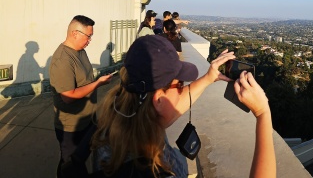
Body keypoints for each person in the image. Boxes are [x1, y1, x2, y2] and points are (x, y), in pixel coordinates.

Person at [86, 36, 276, 178]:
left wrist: (209, 78)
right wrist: (263, 113)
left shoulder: (112, 130)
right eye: (180, 85)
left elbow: (174, 103)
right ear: (158, 100)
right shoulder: (156, 171)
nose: (183, 89)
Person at [50, 15, 115, 177]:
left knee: (80, 159)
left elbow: (84, 80)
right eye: (88, 36)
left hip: (88, 120)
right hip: (71, 126)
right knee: (69, 164)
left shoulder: (80, 51)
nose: (89, 40)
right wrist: (98, 83)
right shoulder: (62, 60)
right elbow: (68, 96)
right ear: (74, 34)